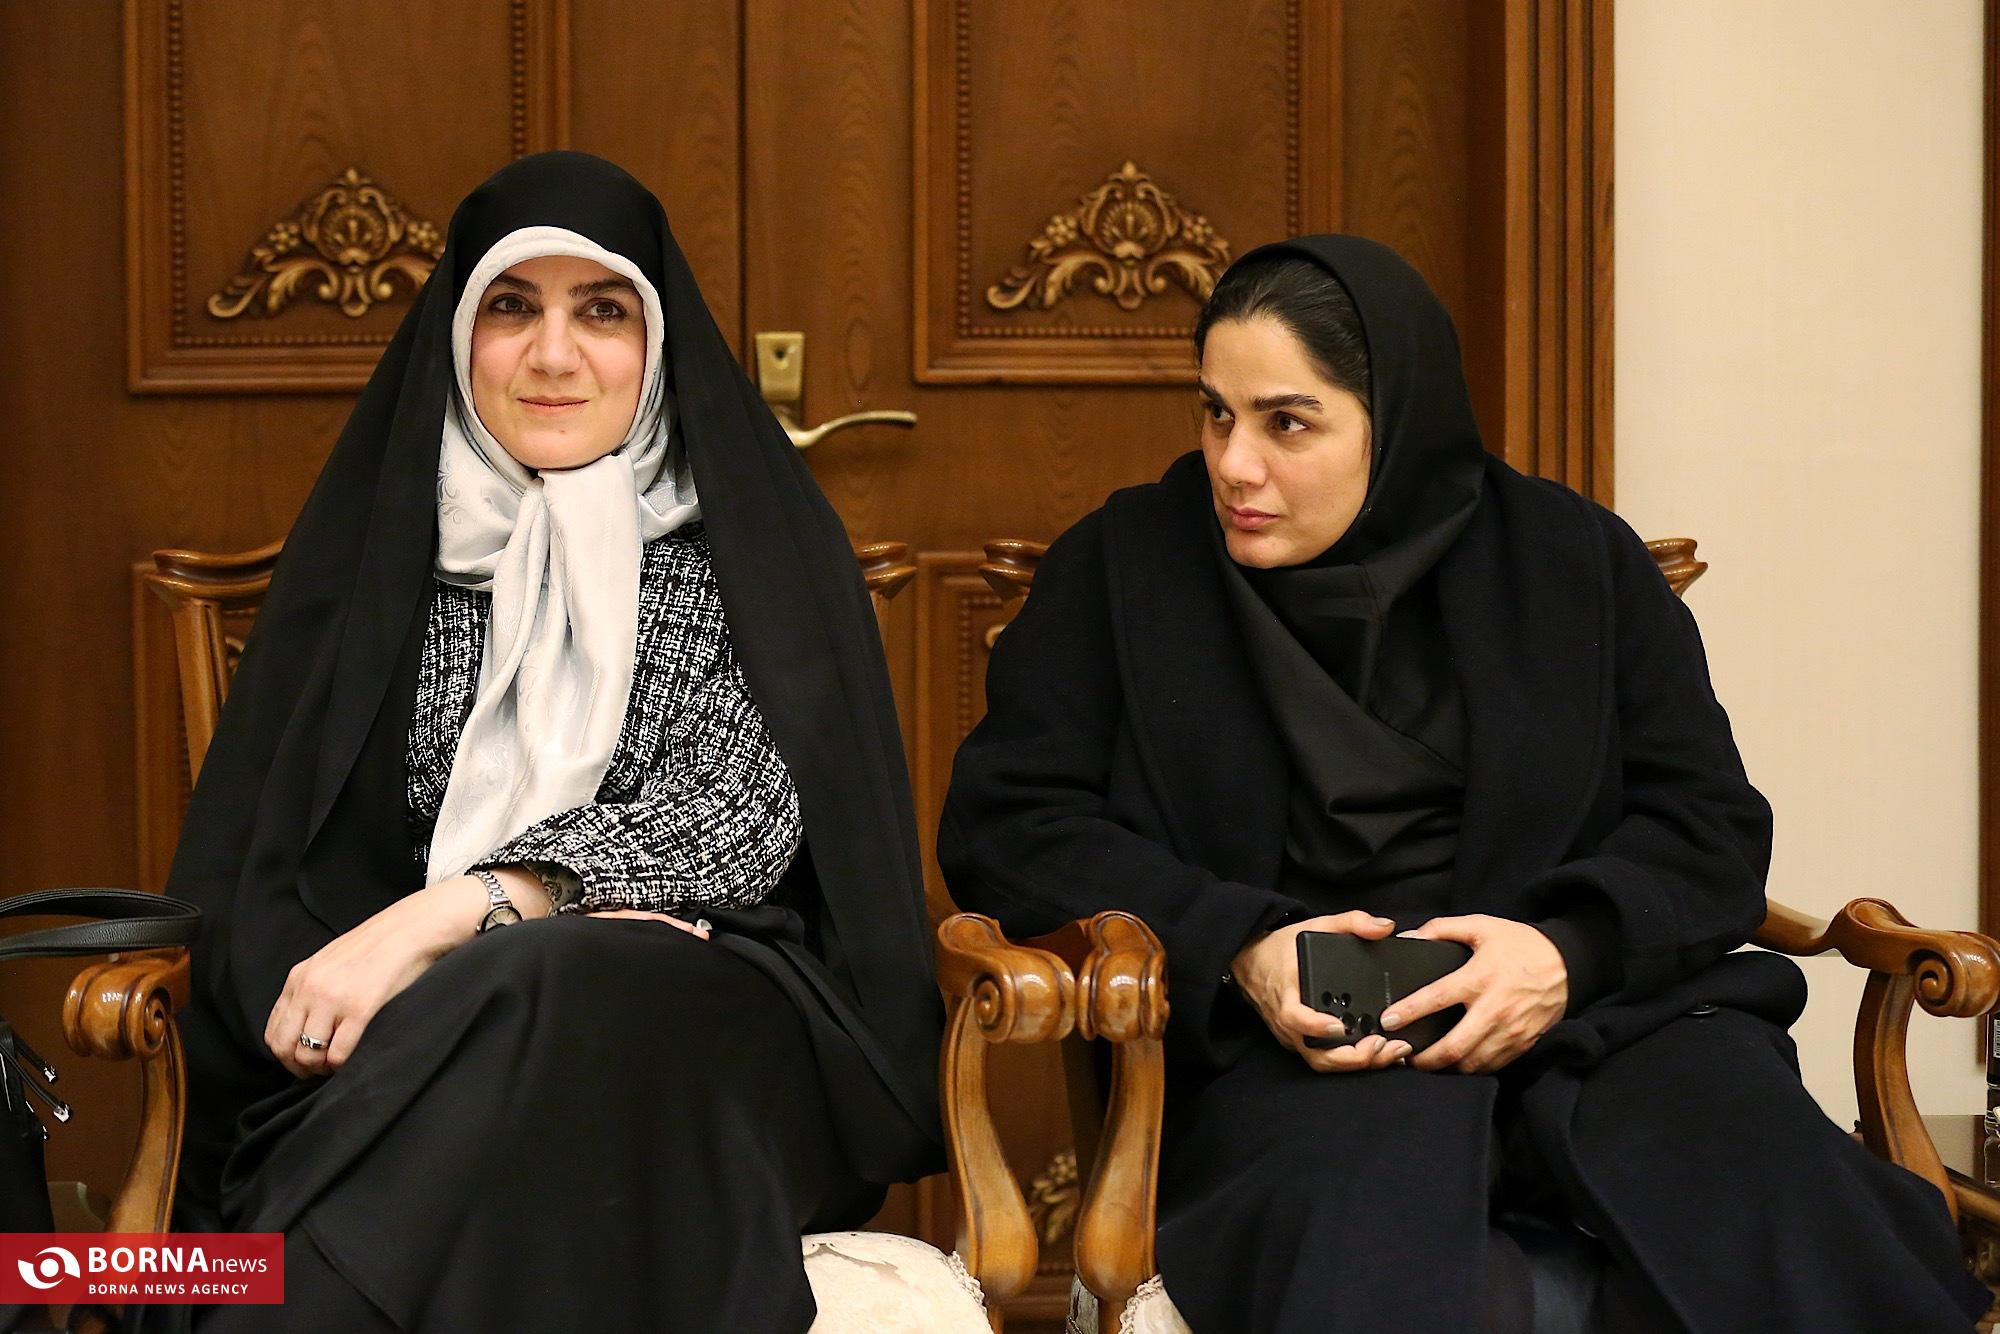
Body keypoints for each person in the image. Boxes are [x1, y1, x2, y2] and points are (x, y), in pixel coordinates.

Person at [938, 235, 1989, 1332]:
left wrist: (1567, 953)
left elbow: (1708, 826)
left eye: (1285, 423)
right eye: (1215, 413)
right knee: (1372, 1255)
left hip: (1600, 1022)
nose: (1233, 464)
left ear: (1396, 423)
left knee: (1774, 1195)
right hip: (1302, 1059)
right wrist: (1240, 945)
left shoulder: (1574, 562)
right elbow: (1008, 825)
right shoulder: (1123, 568)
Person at [158, 151, 941, 1332]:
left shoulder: (754, 548)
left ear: (657, 340)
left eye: (603, 311)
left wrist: (462, 910)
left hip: (705, 1041)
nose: (555, 354)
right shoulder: (379, 559)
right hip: (415, 1057)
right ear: (458, 336)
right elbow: (273, 855)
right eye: (513, 307)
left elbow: (736, 814)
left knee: (551, 973)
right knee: (520, 996)